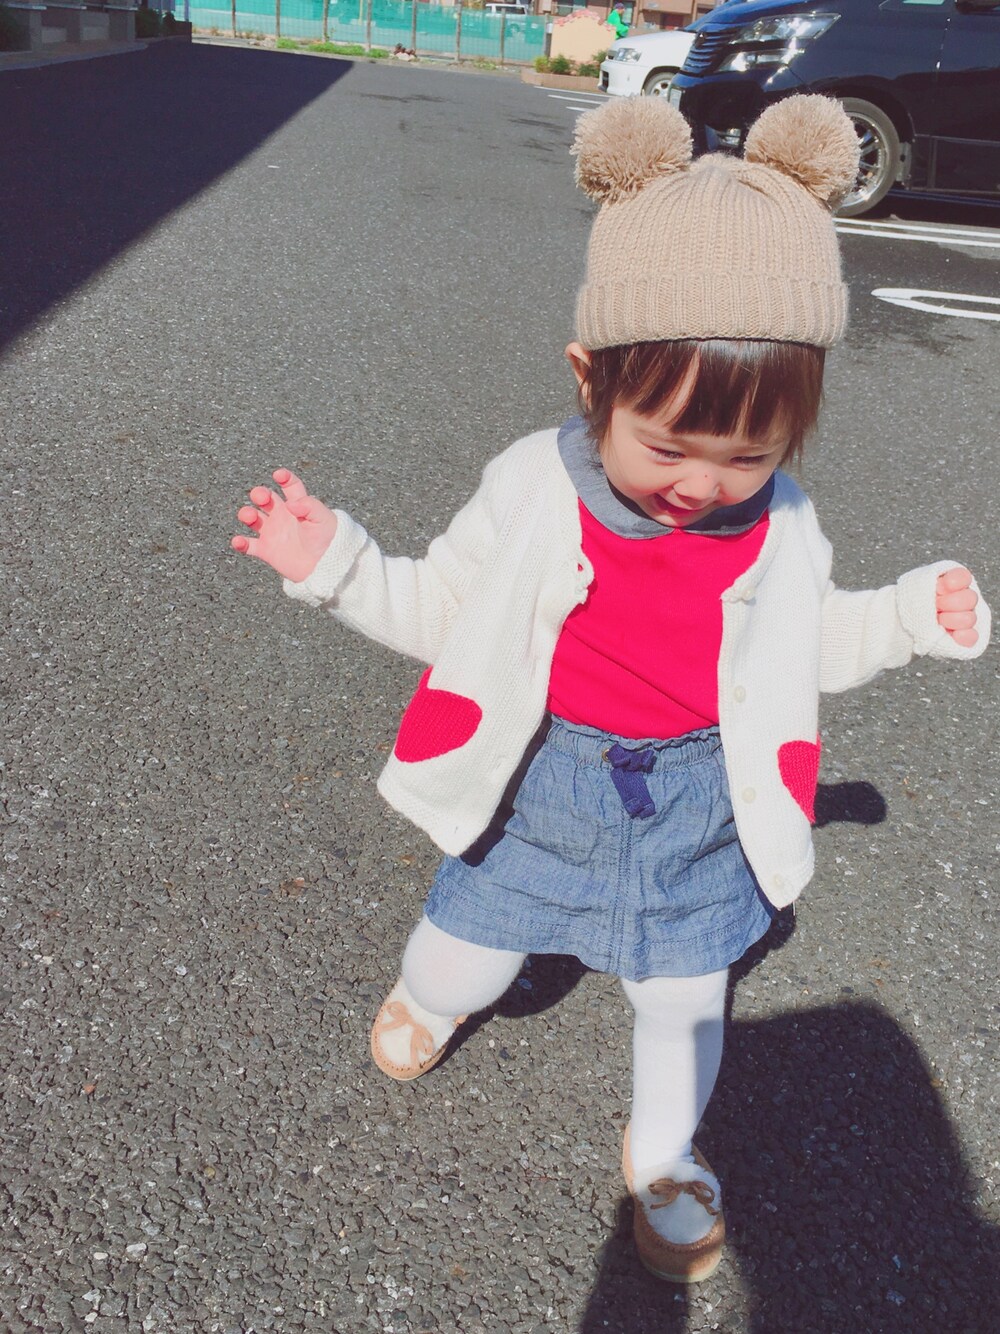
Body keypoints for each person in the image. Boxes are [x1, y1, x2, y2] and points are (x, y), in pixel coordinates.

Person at [230, 96, 990, 1285]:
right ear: (591, 381)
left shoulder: (783, 522)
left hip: (696, 806)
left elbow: (800, 648)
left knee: (685, 998)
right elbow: (445, 612)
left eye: (750, 454)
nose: (704, 483)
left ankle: (665, 1151)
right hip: (541, 783)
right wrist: (339, 566)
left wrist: (898, 617)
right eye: (667, 445)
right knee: (464, 954)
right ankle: (430, 996)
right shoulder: (532, 487)